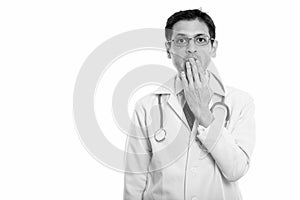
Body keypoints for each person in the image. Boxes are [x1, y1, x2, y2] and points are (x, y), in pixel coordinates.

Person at [123, 9, 255, 200]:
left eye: (200, 39)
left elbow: (236, 170)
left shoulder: (240, 102)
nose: (191, 48)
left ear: (213, 47)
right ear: (169, 49)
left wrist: (203, 112)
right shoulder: (146, 106)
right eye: (181, 40)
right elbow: (135, 183)